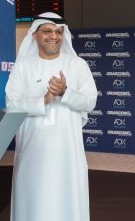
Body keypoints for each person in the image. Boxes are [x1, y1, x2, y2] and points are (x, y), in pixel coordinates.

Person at [5, 12, 98, 221]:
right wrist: (44, 99)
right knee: (33, 201)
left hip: (68, 153)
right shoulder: (23, 66)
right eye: (47, 31)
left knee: (66, 201)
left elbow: (90, 101)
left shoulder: (77, 65)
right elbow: (12, 105)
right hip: (32, 151)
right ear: (35, 35)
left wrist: (66, 92)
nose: (53, 36)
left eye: (58, 32)